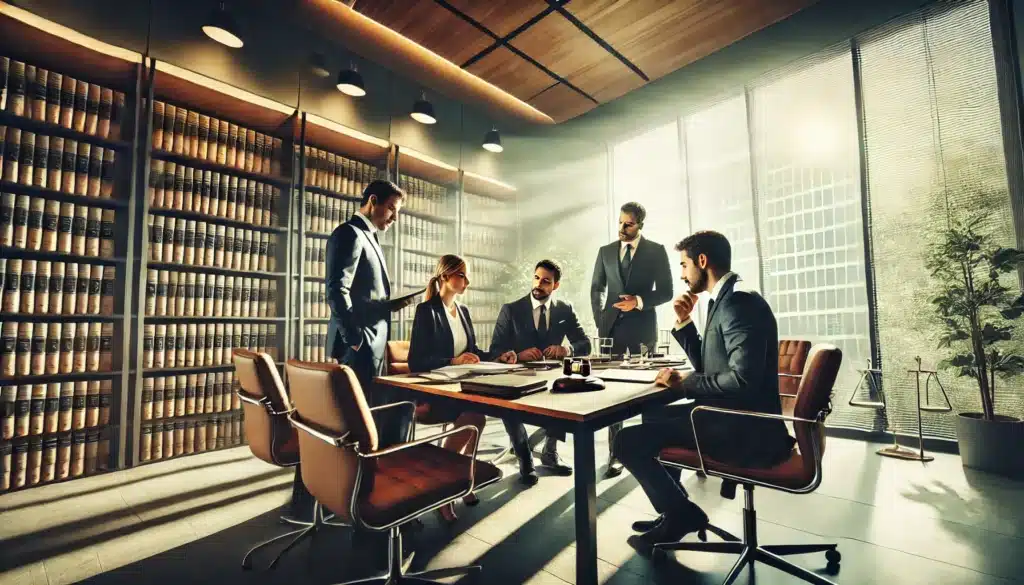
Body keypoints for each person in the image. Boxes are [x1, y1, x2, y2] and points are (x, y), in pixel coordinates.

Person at [612, 230, 795, 554]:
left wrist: (685, 383)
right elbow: (711, 367)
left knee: (625, 441)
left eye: (683, 265)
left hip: (743, 429)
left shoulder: (738, 303)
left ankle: (679, 514)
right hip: (731, 417)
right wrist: (684, 323)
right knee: (653, 414)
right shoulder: (726, 301)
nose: (682, 275)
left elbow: (742, 380)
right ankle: (675, 510)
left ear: (702, 261)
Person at [297, 179, 416, 565]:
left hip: (372, 342)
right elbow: (336, 291)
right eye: (392, 209)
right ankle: (356, 511)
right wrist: (357, 341)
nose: (395, 217)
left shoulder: (370, 236)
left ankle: (361, 503)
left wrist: (390, 305)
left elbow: (364, 297)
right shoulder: (348, 234)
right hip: (360, 347)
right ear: (372, 201)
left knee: (365, 426)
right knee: (355, 429)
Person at [408, 254, 516, 521]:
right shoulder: (427, 311)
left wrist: (497, 357)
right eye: (462, 275)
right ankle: (445, 486)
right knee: (473, 417)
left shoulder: (464, 311)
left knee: (476, 417)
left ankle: (461, 480)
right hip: (435, 393)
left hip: (461, 387)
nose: (467, 281)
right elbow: (416, 360)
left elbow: (473, 352)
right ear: (445, 277)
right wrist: (452, 361)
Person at [489, 259, 591, 485]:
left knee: (566, 389)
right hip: (516, 376)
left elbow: (585, 344)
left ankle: (550, 451)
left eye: (546, 281)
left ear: (555, 286)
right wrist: (517, 354)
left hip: (550, 376)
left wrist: (567, 349)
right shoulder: (511, 310)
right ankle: (524, 457)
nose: (539, 284)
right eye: (536, 278)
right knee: (508, 403)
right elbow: (495, 349)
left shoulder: (565, 309)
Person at [590, 202, 673, 477]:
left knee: (650, 392)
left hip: (643, 331)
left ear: (640, 225)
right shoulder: (605, 252)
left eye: (628, 224)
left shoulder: (656, 251)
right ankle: (615, 454)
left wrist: (638, 301)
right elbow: (596, 288)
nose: (622, 229)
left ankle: (653, 449)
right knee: (613, 393)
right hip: (611, 331)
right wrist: (602, 321)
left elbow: (666, 291)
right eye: (620, 223)